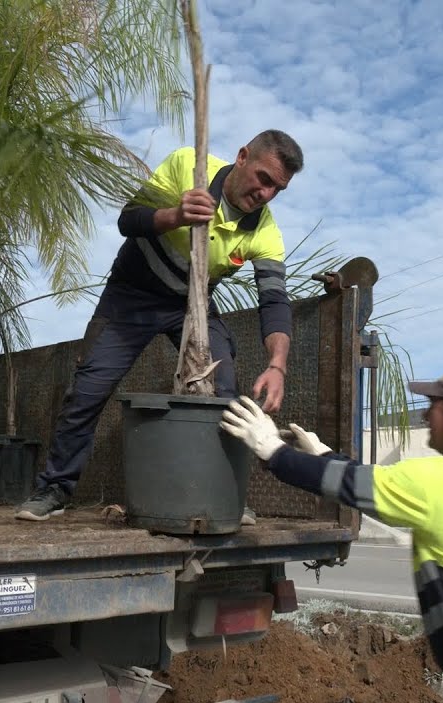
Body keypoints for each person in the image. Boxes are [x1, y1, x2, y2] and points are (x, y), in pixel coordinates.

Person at [220, 368, 443, 703]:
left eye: (433, 405)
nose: (425, 415)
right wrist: (324, 455)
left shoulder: (440, 482)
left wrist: (272, 450)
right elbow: (368, 482)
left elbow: (352, 485)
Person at [16, 130, 304, 523]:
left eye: (277, 189)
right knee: (87, 389)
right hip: (131, 296)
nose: (265, 194)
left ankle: (224, 492)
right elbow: (128, 219)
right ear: (242, 157)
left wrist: (277, 365)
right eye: (263, 179)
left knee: (225, 391)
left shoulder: (265, 232)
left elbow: (274, 301)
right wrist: (176, 216)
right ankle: (54, 488)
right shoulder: (187, 165)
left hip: (192, 305)